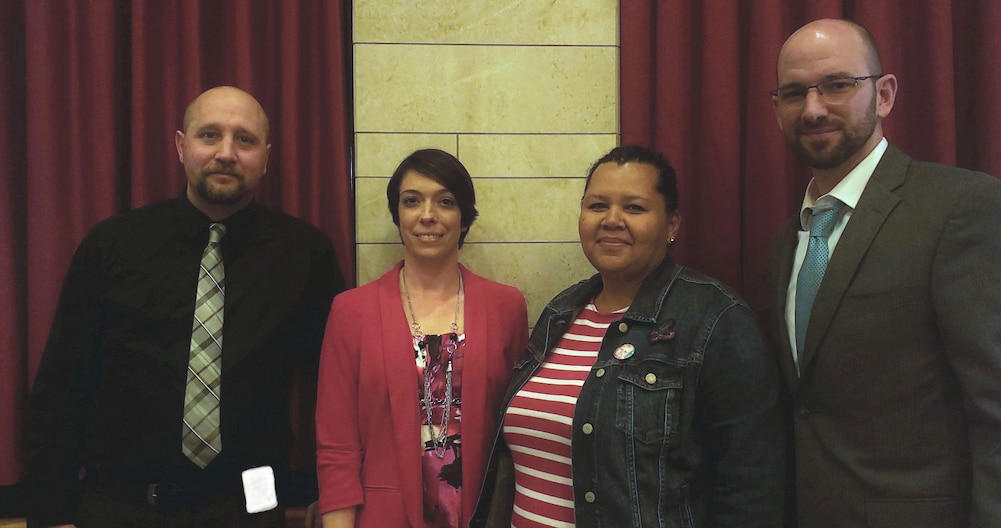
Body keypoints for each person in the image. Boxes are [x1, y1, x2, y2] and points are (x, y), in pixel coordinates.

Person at [766, 19, 1001, 527]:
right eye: (795, 93)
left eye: (838, 85)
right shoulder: (786, 245)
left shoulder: (966, 211)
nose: (814, 108)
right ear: (777, 110)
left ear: (884, 95)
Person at [23, 86, 346, 527]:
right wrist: (49, 512)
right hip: (121, 507)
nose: (226, 153)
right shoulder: (112, 246)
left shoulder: (304, 255)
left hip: (249, 510)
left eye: (245, 140)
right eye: (209, 135)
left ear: (266, 157)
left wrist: (335, 490)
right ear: (181, 146)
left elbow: (338, 388)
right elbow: (61, 387)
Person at [472, 145, 783, 527]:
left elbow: (753, 488)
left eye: (634, 208)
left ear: (672, 224)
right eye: (597, 206)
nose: (612, 220)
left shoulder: (716, 320)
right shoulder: (559, 312)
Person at [315, 148, 528, 528]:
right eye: (412, 201)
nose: (427, 215)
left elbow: (516, 432)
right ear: (397, 215)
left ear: (464, 218)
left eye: (445, 201)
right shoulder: (351, 312)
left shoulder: (505, 307)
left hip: (483, 515)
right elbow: (337, 448)